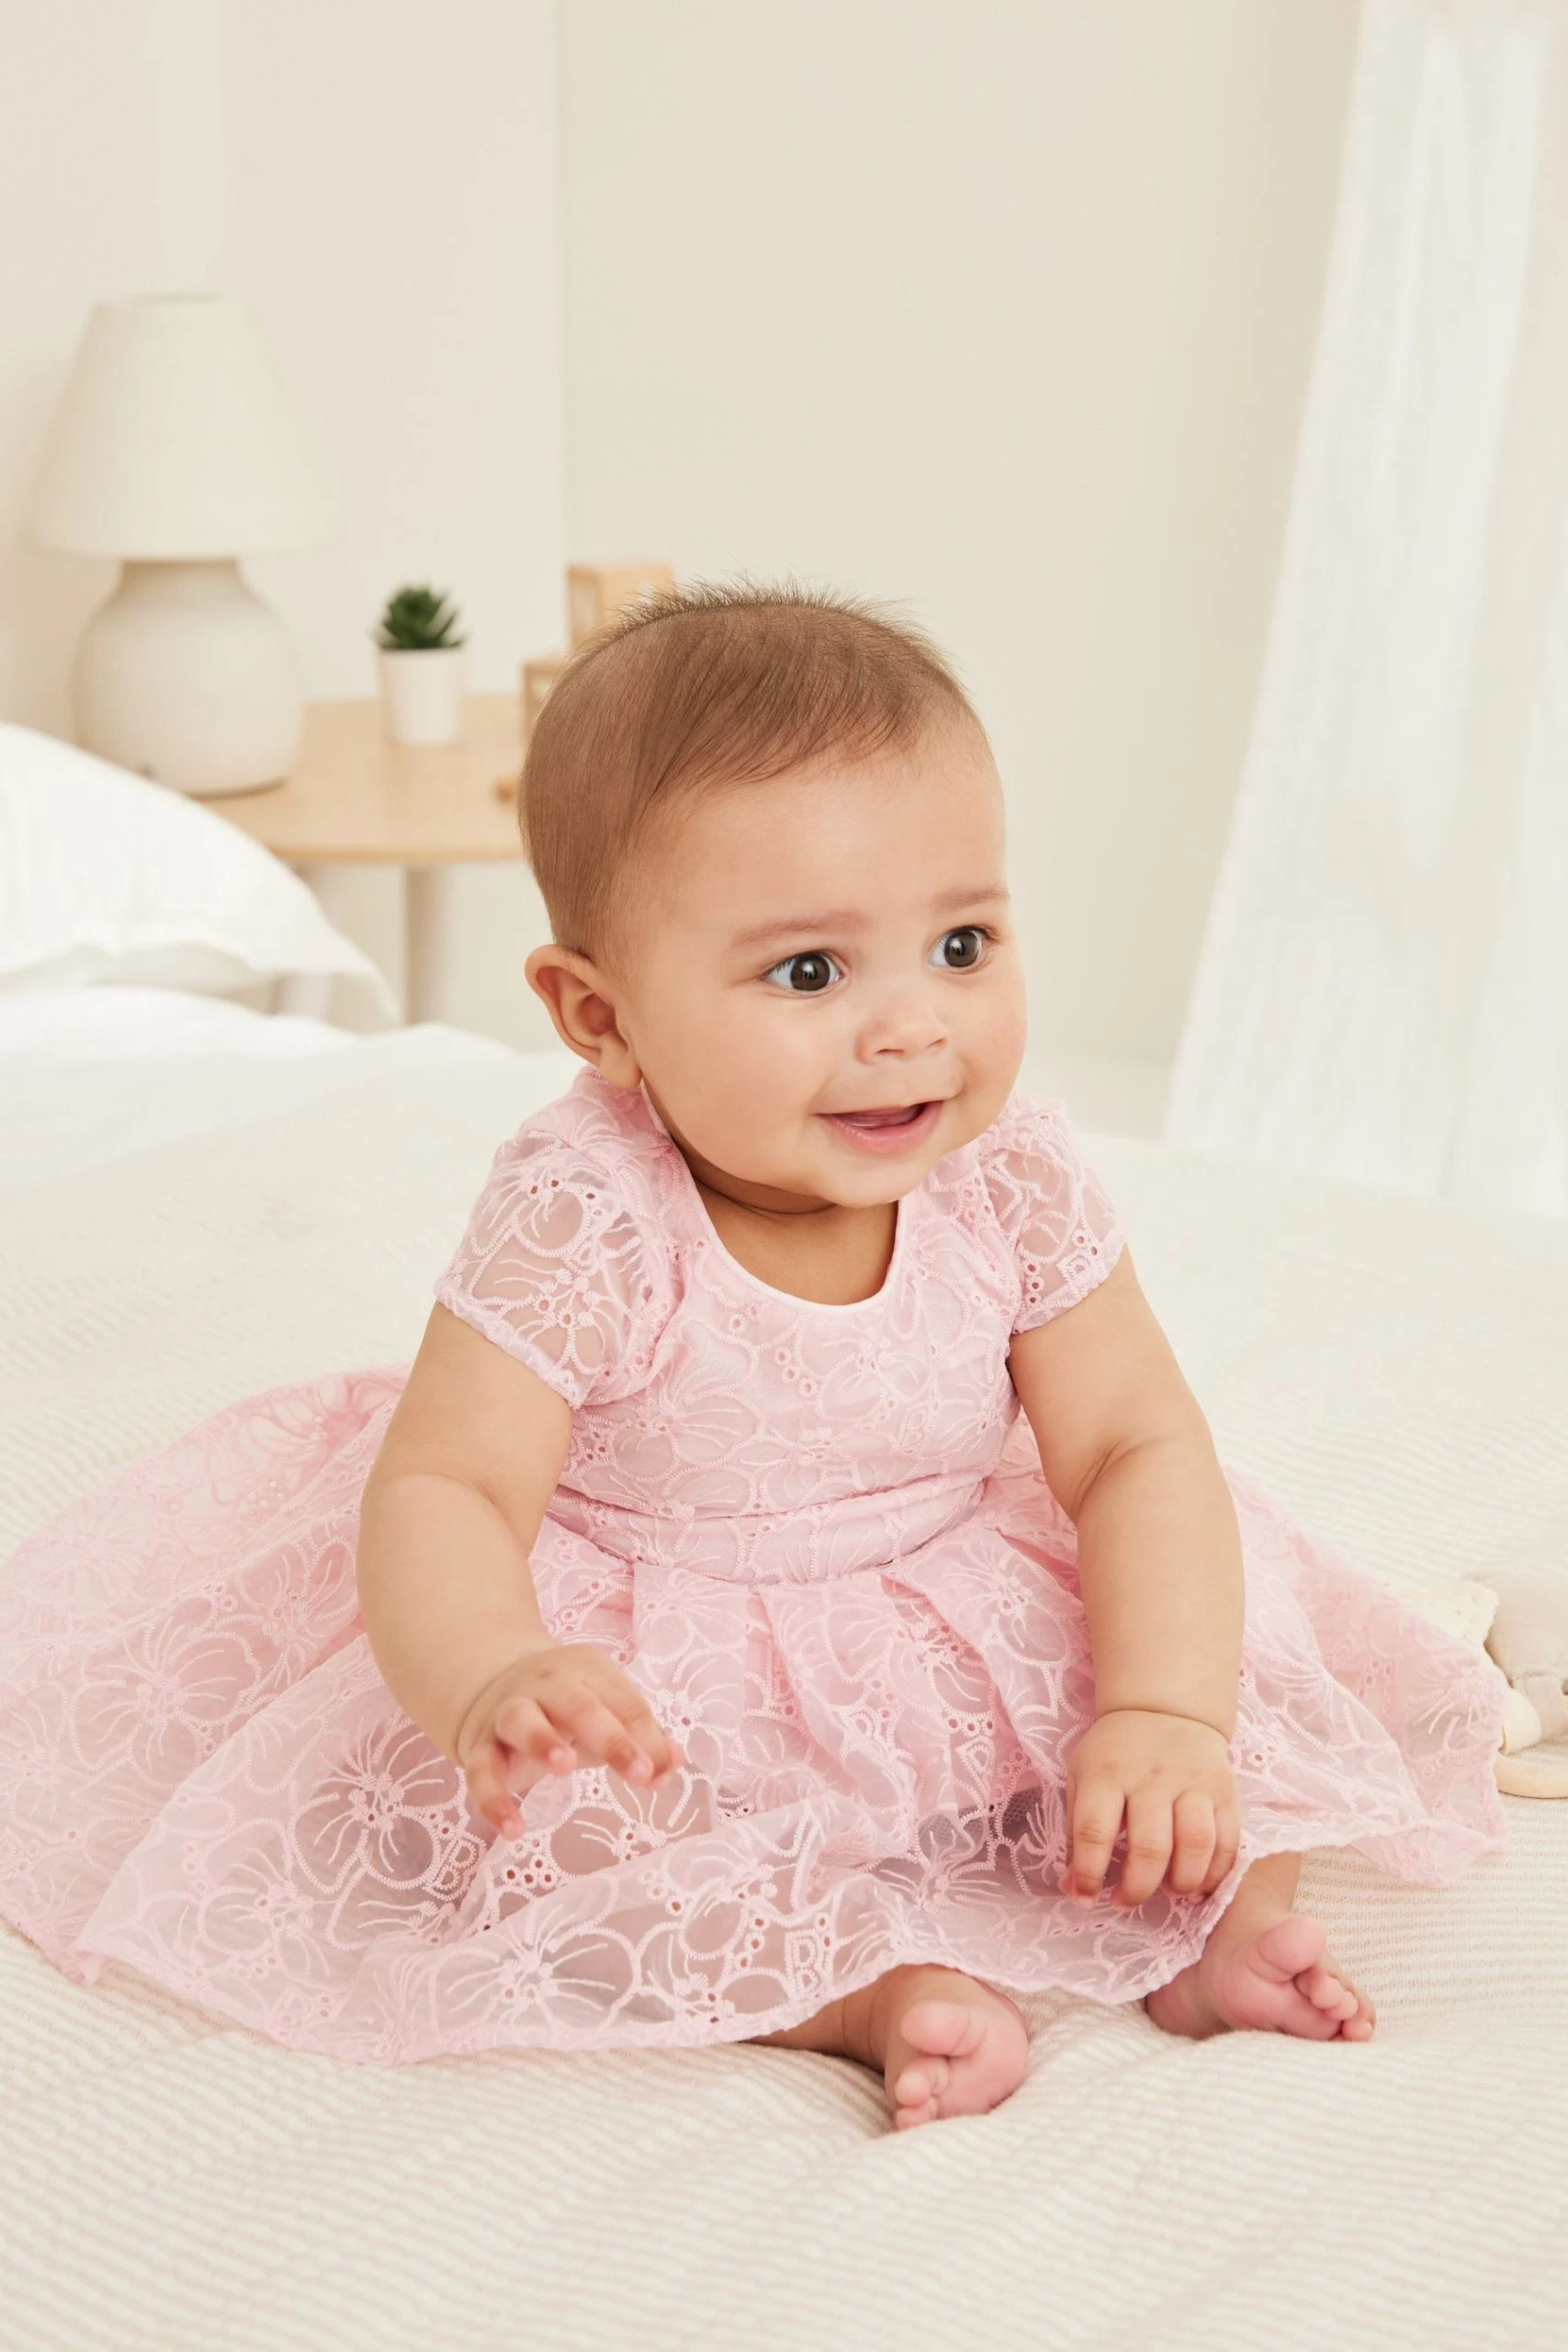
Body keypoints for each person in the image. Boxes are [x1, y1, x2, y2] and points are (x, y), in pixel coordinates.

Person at [0, 582, 1508, 2127]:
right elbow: (447, 1486)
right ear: (598, 1015)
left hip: (945, 1594)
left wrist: (1164, 1712)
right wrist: (494, 1673)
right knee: (569, 1831)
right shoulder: (587, 1211)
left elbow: (1132, 1444)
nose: (911, 1027)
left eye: (961, 943)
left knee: (1216, 1662)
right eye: (809, 973)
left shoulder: (1006, 1177)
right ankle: (852, 1991)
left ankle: (1212, 1926)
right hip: (666, 1642)